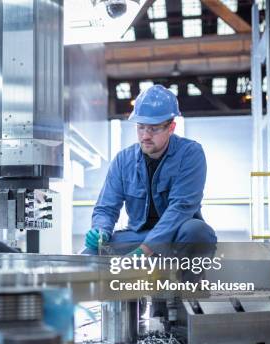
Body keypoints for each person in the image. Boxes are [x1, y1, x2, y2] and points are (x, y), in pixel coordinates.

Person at [83, 84, 216, 256]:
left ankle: (189, 283)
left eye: (153, 129)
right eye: (141, 127)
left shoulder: (190, 154)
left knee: (198, 232)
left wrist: (147, 249)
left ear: (171, 128)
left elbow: (181, 207)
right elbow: (106, 208)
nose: (145, 136)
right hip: (138, 236)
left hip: (176, 235)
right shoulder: (123, 160)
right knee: (91, 252)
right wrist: (100, 231)